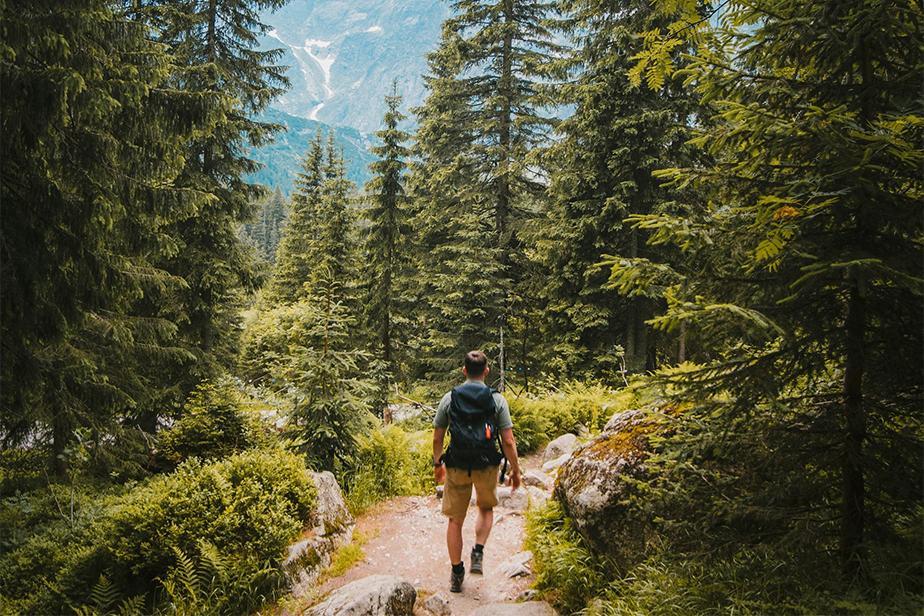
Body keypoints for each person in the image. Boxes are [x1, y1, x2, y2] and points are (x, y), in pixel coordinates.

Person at [432, 350, 521, 593]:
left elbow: (438, 436)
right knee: (485, 507)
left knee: (455, 520)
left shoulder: (449, 398)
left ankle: (456, 572)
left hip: (458, 464)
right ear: (486, 372)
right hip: (486, 465)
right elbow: (509, 441)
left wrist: (438, 464)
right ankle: (478, 551)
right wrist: (515, 471)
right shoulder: (497, 399)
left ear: (464, 371)